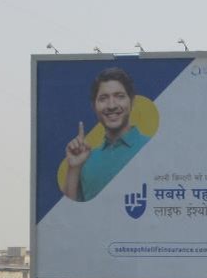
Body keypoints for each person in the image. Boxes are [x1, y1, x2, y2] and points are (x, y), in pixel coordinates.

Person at [63, 67, 151, 202]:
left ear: (132, 102)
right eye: (103, 98)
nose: (111, 105)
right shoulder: (86, 160)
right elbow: (68, 216)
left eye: (119, 96)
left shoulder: (153, 148)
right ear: (94, 106)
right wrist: (74, 168)